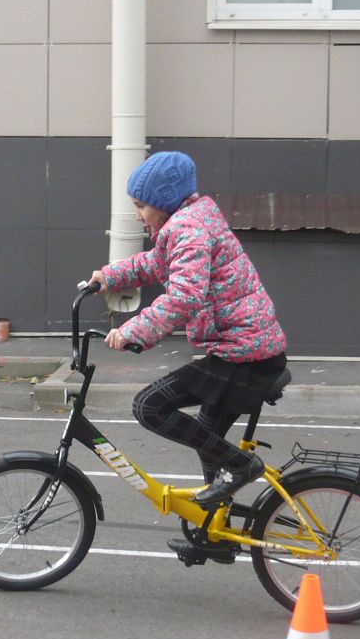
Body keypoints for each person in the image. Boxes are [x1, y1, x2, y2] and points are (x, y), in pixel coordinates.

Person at [88, 151, 288, 562]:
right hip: (245, 351)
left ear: (163, 201)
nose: (139, 216)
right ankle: (216, 534)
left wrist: (132, 332)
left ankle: (242, 468)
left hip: (244, 355)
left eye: (141, 206)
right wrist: (108, 276)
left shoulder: (188, 229)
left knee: (149, 406)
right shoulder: (191, 220)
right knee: (208, 439)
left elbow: (184, 297)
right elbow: (157, 263)